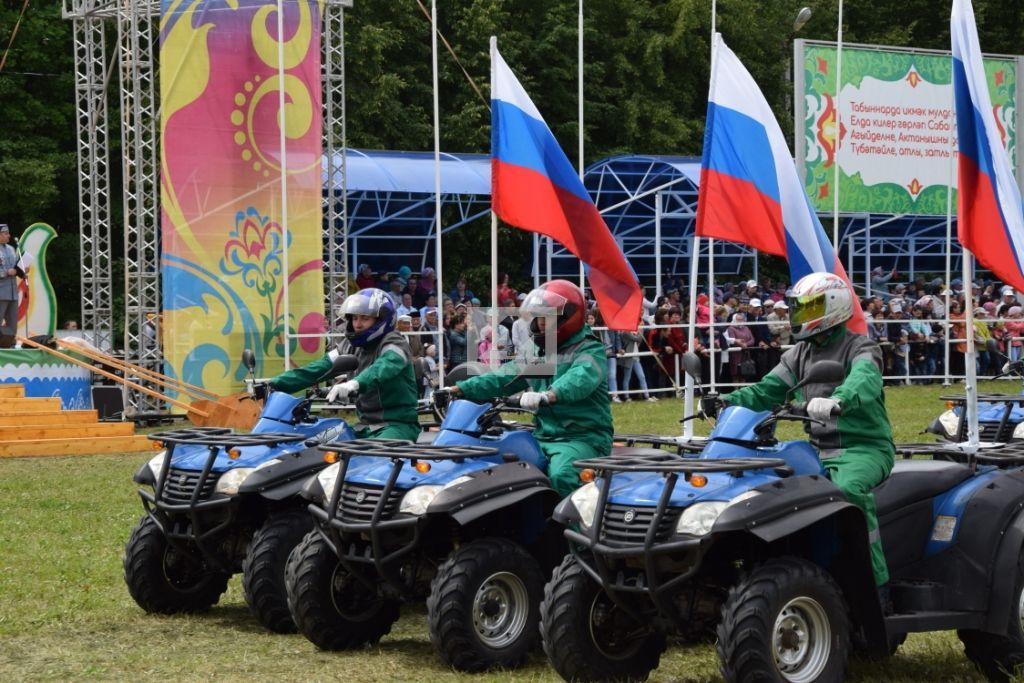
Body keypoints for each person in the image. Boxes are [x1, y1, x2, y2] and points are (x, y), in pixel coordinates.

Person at [708, 272, 895, 588]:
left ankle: (874, 582)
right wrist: (726, 400)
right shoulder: (799, 353)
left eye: (809, 308)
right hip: (815, 450)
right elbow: (767, 390)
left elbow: (864, 379)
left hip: (862, 449)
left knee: (848, 490)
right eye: (799, 308)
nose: (800, 316)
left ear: (833, 308)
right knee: (770, 491)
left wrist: (839, 398)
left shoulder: (861, 348)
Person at [443, 280, 612, 497]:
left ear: (568, 316)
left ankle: (571, 529)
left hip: (581, 437)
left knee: (563, 475)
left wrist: (549, 395)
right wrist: (459, 389)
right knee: (495, 463)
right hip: (542, 435)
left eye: (546, 317)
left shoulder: (589, 348)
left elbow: (579, 379)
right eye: (538, 317)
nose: (540, 323)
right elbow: (505, 376)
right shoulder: (539, 349)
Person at [264, 288, 420, 441]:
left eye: (365, 318)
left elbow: (385, 366)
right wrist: (274, 384)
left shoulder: (395, 343)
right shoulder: (350, 345)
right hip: (364, 427)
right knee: (313, 444)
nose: (357, 324)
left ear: (380, 320)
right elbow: (319, 368)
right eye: (354, 318)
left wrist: (353, 384)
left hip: (397, 427)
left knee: (371, 459)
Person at [0, 224, 22, 348]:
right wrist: (6, 272)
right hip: (1, 292)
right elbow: (8, 271)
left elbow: (15, 268)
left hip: (13, 292)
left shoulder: (11, 249)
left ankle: (10, 345)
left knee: (13, 323)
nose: (9, 235)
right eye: (5, 233)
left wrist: (22, 271)